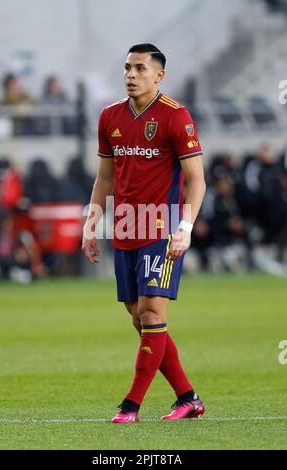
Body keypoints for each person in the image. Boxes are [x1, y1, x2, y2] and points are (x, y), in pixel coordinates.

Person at [82, 43, 206, 423]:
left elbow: (196, 179)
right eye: (127, 68)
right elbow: (105, 176)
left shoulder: (176, 116)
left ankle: (130, 406)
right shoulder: (109, 117)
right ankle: (188, 398)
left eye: (139, 68)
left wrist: (184, 227)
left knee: (153, 314)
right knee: (140, 318)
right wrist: (91, 222)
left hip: (162, 226)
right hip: (124, 227)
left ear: (159, 75)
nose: (131, 75)